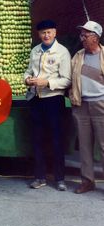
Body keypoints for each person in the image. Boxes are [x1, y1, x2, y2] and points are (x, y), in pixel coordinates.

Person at [24, 19, 71, 191]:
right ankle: (40, 177)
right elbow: (29, 70)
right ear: (39, 34)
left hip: (53, 100)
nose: (46, 35)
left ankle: (59, 178)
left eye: (49, 32)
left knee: (56, 140)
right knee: (37, 139)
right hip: (36, 99)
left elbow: (66, 80)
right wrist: (27, 79)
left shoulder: (62, 52)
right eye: (43, 33)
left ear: (55, 33)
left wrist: (48, 82)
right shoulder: (35, 51)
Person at [69, 20, 104, 194]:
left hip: (101, 105)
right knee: (84, 145)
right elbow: (68, 78)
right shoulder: (77, 56)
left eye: (86, 34)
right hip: (81, 105)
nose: (82, 37)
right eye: (81, 34)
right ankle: (87, 181)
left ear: (96, 38)